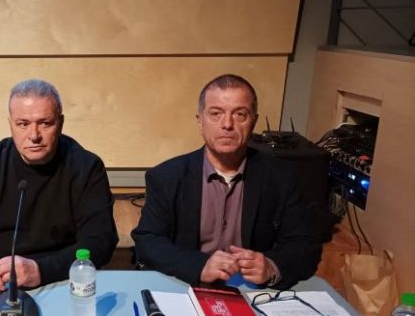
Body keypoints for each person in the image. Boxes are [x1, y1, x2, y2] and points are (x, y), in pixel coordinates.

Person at [132, 74, 321, 290]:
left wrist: (271, 266)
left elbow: (305, 244)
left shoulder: (282, 177)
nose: (227, 124)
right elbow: (148, 240)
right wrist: (199, 265)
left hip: (252, 290)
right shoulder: (166, 176)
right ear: (200, 121)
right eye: (216, 114)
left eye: (240, 114)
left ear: (253, 121)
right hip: (187, 285)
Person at [0, 79, 118, 295]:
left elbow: (100, 241)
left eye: (45, 123)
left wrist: (41, 270)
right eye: (23, 124)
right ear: (10, 124)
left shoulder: (86, 167)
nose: (34, 135)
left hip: (60, 282)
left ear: (60, 123)